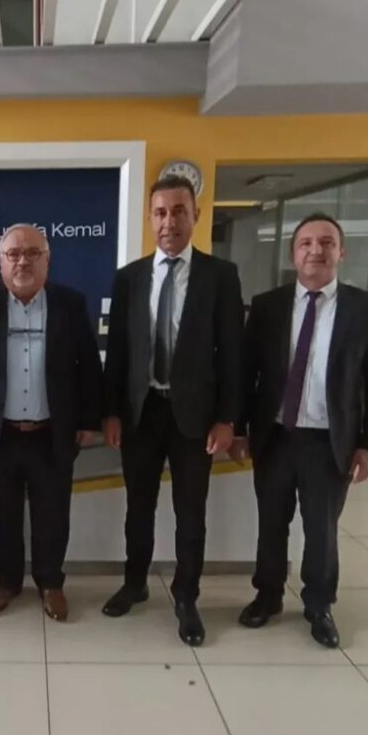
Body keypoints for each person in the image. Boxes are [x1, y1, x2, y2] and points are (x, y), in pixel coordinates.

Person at [233, 212, 368, 648]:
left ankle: (319, 605)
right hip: (275, 436)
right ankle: (267, 596)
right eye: (306, 243)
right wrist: (241, 429)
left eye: (326, 243)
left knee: (321, 529)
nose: (315, 251)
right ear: (293, 254)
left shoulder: (365, 309)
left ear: (341, 252)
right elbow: (247, 373)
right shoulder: (267, 306)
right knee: (271, 522)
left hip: (328, 439)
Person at [101, 176, 244, 646]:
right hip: (141, 414)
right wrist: (112, 412)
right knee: (138, 507)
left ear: (195, 216)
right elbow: (118, 353)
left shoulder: (220, 276)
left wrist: (227, 419)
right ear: (150, 218)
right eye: (161, 212)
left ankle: (186, 598)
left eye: (179, 211)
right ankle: (135, 583)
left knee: (190, 512)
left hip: (195, 420)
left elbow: (233, 354)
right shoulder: (129, 278)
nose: (169, 221)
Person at [0, 224, 103, 622]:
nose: (23, 261)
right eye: (14, 254)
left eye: (33, 253)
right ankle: (7, 581)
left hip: (53, 433)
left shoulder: (70, 304)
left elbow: (89, 366)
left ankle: (50, 582)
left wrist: (89, 420)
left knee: (52, 514)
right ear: (0, 263)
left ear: (47, 261)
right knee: (1, 515)